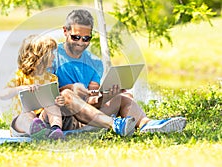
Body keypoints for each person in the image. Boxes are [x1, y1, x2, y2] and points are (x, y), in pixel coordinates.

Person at [50, 9, 186, 135]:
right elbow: (46, 94)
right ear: (65, 31)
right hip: (59, 118)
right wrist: (72, 89)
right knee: (67, 94)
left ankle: (147, 124)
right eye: (76, 37)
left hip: (85, 118)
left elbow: (91, 101)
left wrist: (105, 97)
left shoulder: (95, 63)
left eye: (86, 39)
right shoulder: (52, 56)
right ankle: (111, 124)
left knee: (123, 96)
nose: (81, 42)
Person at [0, 35, 65, 140]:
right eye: (51, 53)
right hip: (22, 125)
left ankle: (55, 130)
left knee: (52, 106)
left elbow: (55, 101)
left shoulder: (52, 78)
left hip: (42, 121)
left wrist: (60, 100)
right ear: (40, 56)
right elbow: (3, 94)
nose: (54, 56)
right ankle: (36, 130)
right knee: (27, 115)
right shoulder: (19, 75)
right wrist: (21, 88)